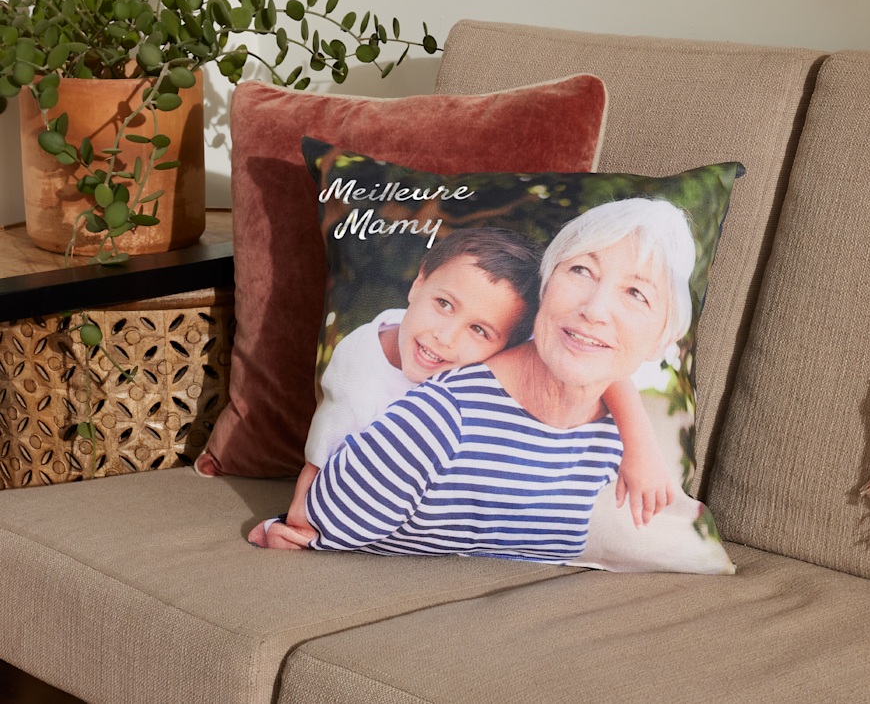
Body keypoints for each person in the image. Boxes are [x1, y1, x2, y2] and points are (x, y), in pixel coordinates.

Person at [261, 197, 696, 562]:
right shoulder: (433, 413)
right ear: (546, 288)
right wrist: (298, 515)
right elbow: (318, 514)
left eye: (636, 293)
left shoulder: (611, 427)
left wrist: (641, 445)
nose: (595, 309)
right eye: (581, 270)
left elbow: (599, 373)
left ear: (664, 340)